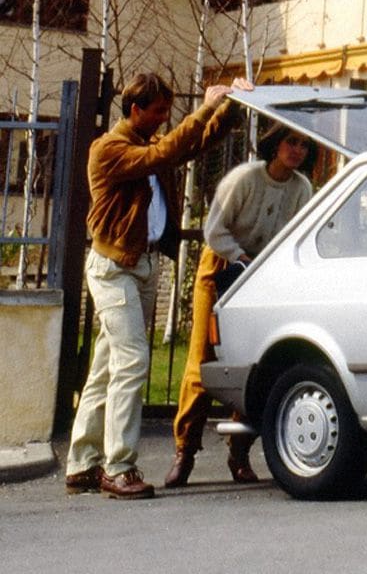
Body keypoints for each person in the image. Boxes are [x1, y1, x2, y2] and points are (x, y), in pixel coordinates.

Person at [64, 73, 252, 500]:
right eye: (159, 112)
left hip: (143, 265)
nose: (165, 119)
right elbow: (170, 149)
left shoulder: (148, 147)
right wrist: (206, 106)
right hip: (114, 268)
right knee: (132, 362)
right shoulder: (108, 149)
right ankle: (119, 467)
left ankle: (81, 464)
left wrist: (228, 111)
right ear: (135, 110)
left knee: (106, 368)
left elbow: (188, 146)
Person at [164, 122, 314, 488]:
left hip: (262, 276)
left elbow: (297, 236)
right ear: (275, 144)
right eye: (291, 142)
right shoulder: (245, 178)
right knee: (203, 359)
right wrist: (240, 257)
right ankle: (185, 452)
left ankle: (239, 451)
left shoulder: (302, 188)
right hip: (221, 266)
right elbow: (214, 229)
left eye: (304, 146)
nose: (297, 151)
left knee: (253, 361)